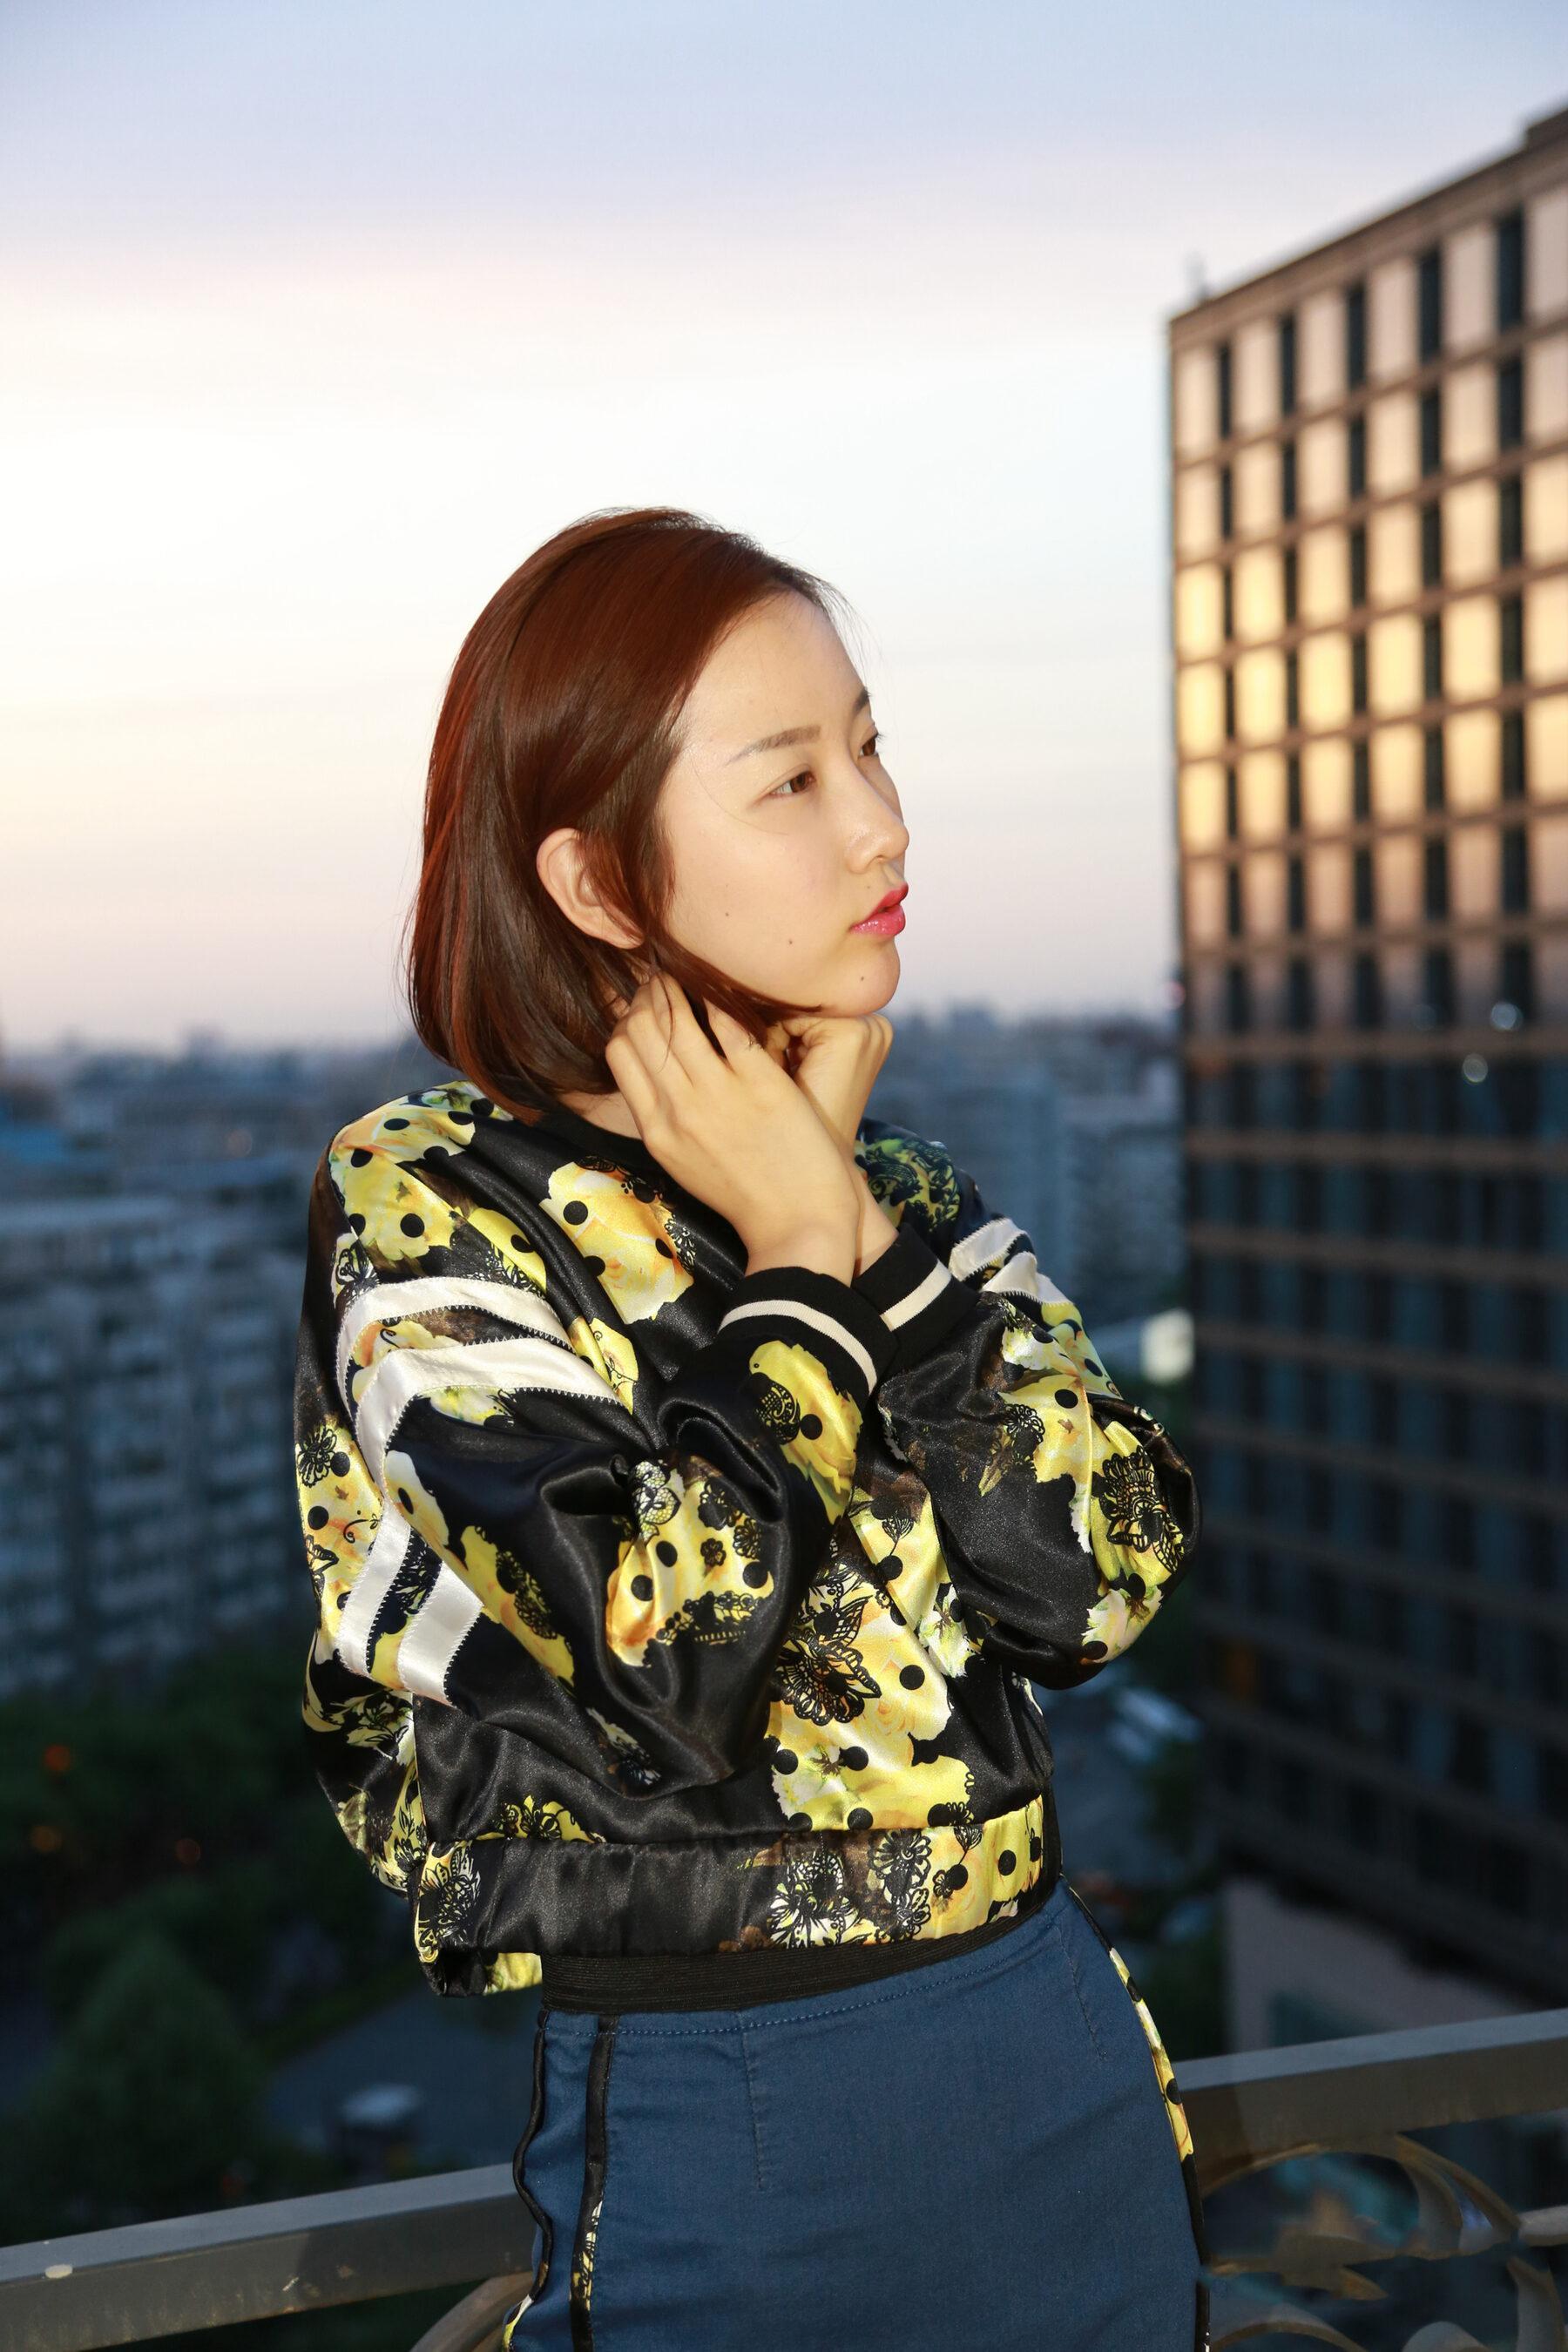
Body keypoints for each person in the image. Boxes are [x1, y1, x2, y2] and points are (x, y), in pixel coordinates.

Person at [292, 506, 1209, 2349]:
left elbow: (1095, 1586)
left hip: (1057, 2050)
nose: (883, 825)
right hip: (731, 2102)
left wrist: (861, 1235)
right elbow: (664, 1667)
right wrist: (796, 1261)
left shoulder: (907, 1192)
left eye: (870, 748)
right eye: (791, 780)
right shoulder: (437, 1201)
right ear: (597, 883)